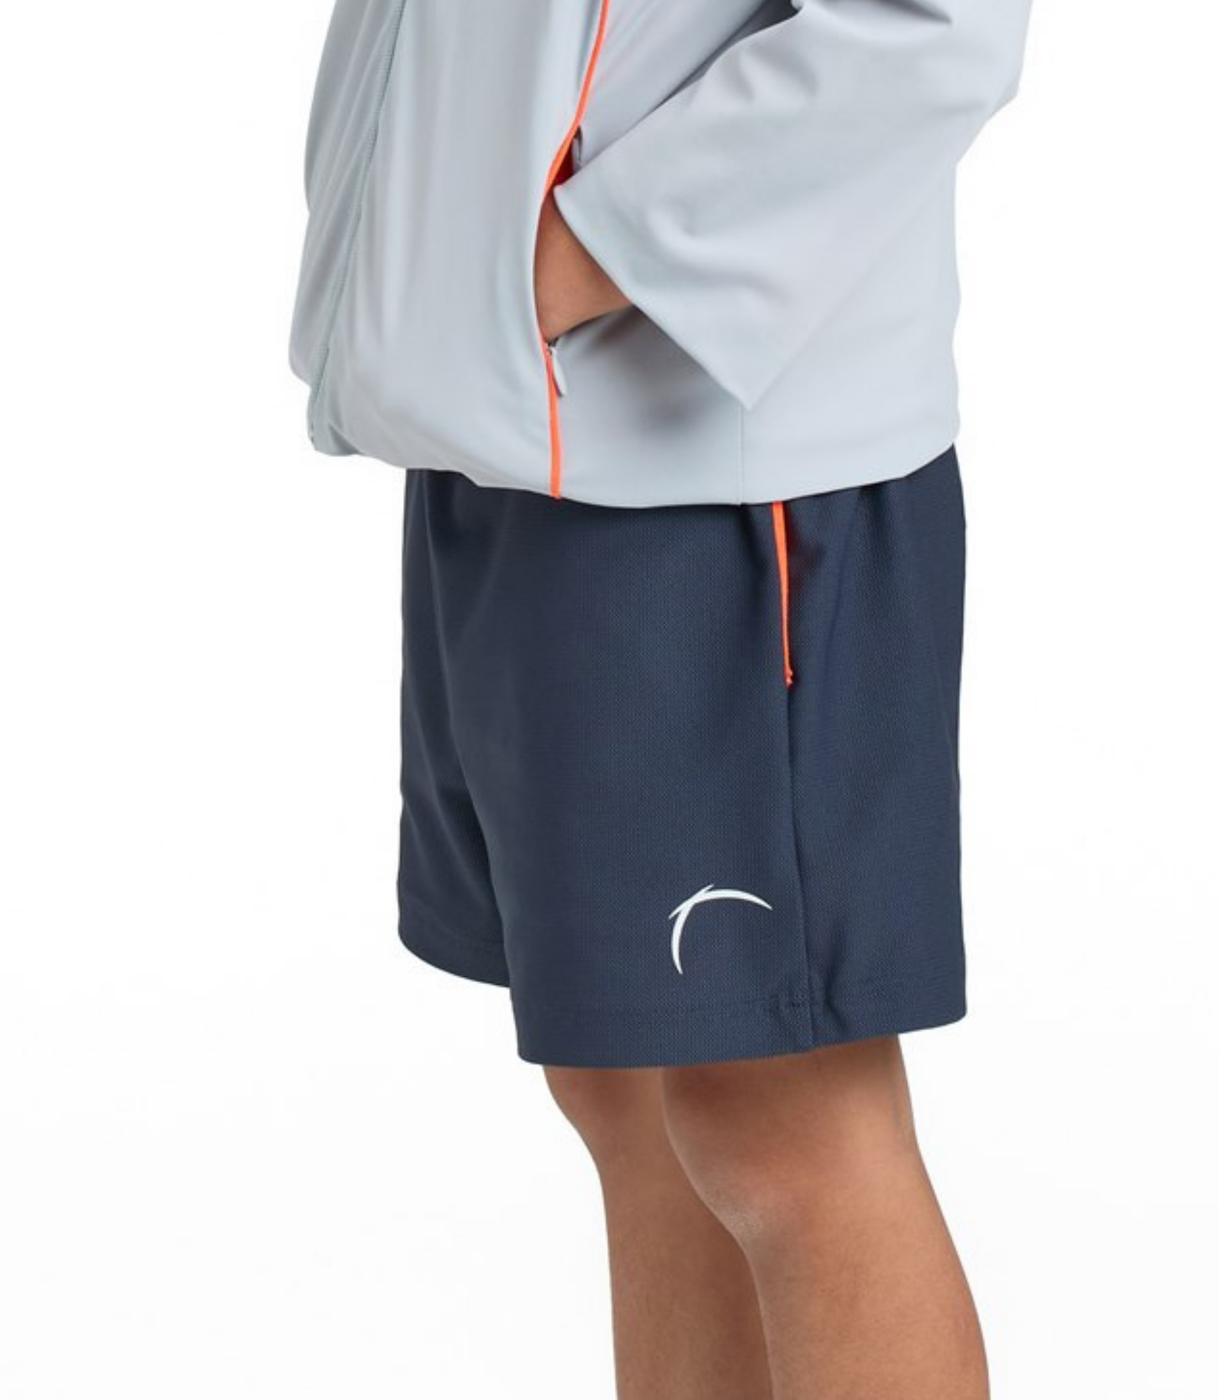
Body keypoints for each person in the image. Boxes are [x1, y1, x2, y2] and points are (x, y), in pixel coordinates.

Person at [290, 1, 1032, 1395]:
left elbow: (937, 25)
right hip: (508, 422)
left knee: (779, 1114)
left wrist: (586, 259)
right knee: (624, 1085)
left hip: (712, 453)